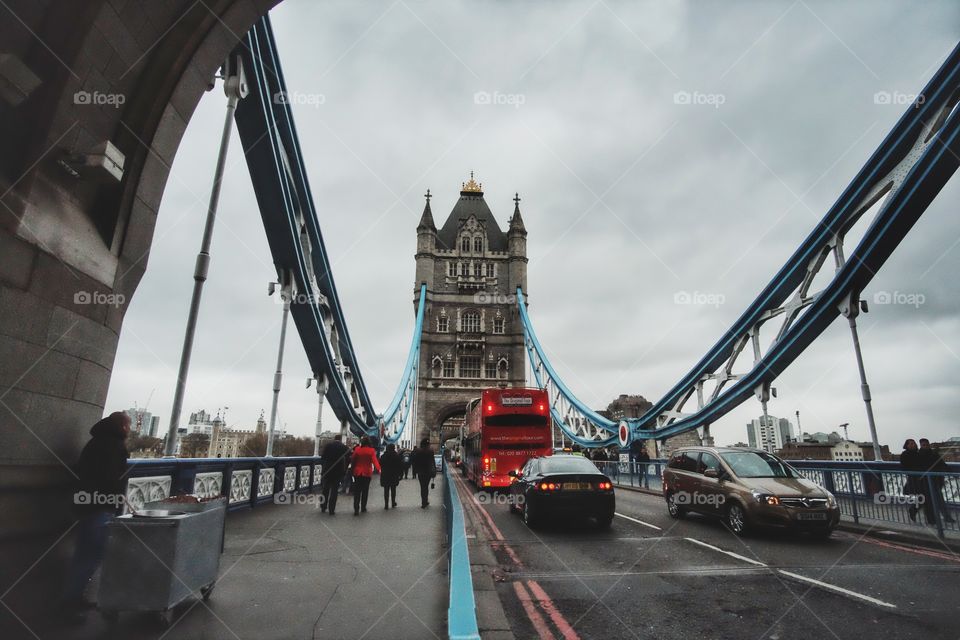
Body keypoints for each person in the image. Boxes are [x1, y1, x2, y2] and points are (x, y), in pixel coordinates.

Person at [61, 411, 131, 619]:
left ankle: (74, 598)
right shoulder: (114, 446)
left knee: (84, 554)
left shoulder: (96, 441)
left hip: (86, 503)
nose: (129, 430)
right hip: (100, 506)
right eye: (128, 426)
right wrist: (117, 498)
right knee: (92, 555)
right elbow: (110, 478)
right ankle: (71, 603)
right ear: (123, 427)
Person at [919, 438, 956, 524]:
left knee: (937, 499)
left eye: (927, 444)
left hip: (936, 479)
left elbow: (941, 463)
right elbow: (923, 466)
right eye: (924, 445)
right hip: (926, 481)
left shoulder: (934, 453)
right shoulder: (920, 455)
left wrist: (949, 471)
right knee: (934, 500)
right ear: (921, 445)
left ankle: (943, 517)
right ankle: (939, 518)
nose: (926, 446)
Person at [900, 439, 933, 523]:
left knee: (925, 498)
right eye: (911, 444)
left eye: (914, 443)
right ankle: (928, 518)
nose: (913, 445)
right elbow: (905, 467)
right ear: (907, 445)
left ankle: (916, 511)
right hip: (914, 480)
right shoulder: (905, 454)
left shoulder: (918, 453)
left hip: (923, 479)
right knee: (924, 498)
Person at [349, 436, 381, 515]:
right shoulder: (371, 450)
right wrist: (379, 469)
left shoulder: (357, 449)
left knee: (357, 491)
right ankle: (363, 507)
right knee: (365, 491)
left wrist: (351, 469)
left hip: (357, 473)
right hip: (367, 473)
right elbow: (375, 461)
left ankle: (356, 508)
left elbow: (353, 459)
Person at [319, 435, 349, 515]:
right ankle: (331, 509)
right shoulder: (343, 447)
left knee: (325, 489)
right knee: (334, 490)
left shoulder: (328, 446)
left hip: (328, 470)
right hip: (338, 471)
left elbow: (323, 457)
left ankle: (323, 506)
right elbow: (349, 456)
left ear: (334, 439)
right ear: (340, 439)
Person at [410, 438, 437, 508]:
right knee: (426, 486)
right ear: (427, 444)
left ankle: (423, 502)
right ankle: (426, 501)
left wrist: (415, 470)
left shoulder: (418, 451)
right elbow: (433, 462)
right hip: (428, 472)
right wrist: (434, 470)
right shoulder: (431, 451)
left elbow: (414, 461)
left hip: (420, 472)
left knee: (422, 487)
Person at [379, 444, 403, 509]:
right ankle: (393, 502)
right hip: (394, 475)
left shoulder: (383, 456)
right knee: (393, 489)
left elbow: (380, 464)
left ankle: (386, 504)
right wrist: (401, 475)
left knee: (386, 490)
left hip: (385, 475)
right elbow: (400, 466)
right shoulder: (396, 456)